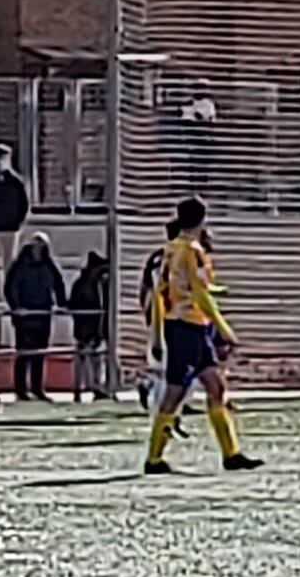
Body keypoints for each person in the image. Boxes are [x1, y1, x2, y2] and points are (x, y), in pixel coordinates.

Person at [142, 199, 259, 474]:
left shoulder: (171, 248)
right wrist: (224, 327)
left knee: (215, 386)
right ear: (202, 220)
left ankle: (231, 454)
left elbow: (165, 292)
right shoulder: (192, 250)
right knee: (175, 392)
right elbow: (198, 294)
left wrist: (158, 332)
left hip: (183, 325)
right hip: (188, 326)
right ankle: (154, 459)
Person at [5, 232, 65, 400]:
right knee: (24, 353)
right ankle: (21, 389)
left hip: (43, 313)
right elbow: (11, 287)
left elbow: (58, 282)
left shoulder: (48, 264)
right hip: (25, 315)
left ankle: (37, 388)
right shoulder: (20, 265)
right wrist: (16, 307)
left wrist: (61, 302)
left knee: (39, 353)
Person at [69, 248, 115, 398]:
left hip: (98, 329)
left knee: (96, 360)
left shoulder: (103, 286)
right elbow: (76, 307)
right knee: (83, 360)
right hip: (86, 329)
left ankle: (97, 387)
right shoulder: (82, 286)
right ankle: (79, 389)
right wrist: (85, 330)